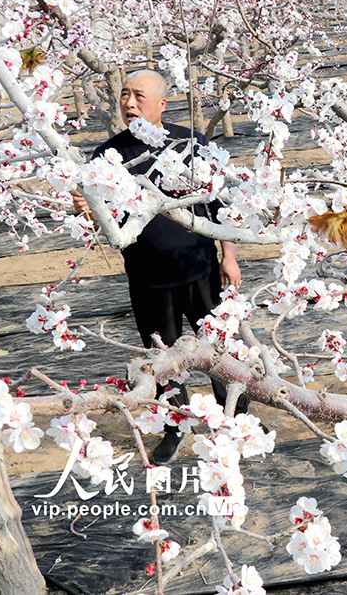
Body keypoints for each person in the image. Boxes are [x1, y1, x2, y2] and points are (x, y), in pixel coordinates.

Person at [72, 70, 247, 464]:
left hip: (200, 269)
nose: (129, 103)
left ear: (162, 104)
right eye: (124, 95)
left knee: (220, 350)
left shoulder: (189, 143)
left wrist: (229, 256)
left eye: (139, 96)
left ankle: (237, 419)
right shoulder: (109, 155)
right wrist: (84, 207)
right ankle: (175, 427)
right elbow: (101, 218)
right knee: (162, 359)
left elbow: (220, 204)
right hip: (148, 278)